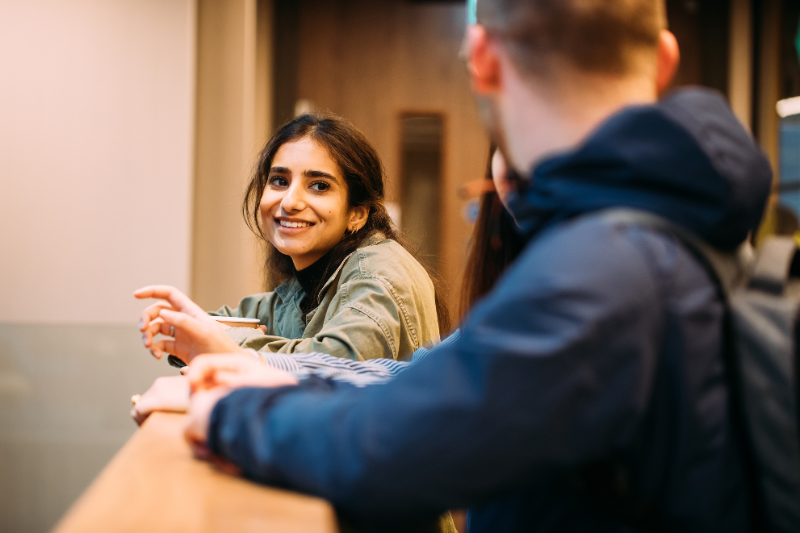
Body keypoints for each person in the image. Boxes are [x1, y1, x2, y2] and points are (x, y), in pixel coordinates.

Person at [182, 1, 773, 531]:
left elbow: (389, 448)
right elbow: (428, 381)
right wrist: (268, 373)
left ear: (483, 59)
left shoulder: (599, 271)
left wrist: (230, 415)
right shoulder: (674, 230)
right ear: (664, 58)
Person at [134, 112, 449, 368]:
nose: (289, 201)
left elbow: (333, 366)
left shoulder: (377, 274)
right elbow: (237, 321)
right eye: (280, 181)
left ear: (357, 214)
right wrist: (183, 322)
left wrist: (215, 340)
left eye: (319, 186)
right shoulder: (304, 285)